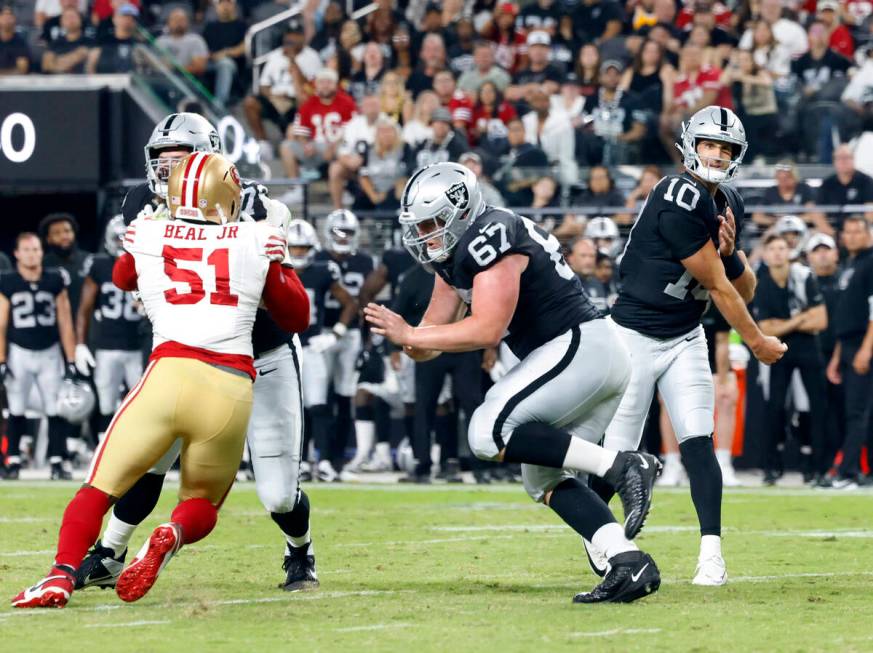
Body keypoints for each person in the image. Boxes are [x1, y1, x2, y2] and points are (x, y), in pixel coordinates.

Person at [12, 152, 310, 609]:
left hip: (167, 375)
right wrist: (281, 264)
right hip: (229, 386)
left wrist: (139, 242)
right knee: (202, 503)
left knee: (98, 487)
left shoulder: (149, 229)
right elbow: (297, 315)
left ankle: (60, 574)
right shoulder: (254, 235)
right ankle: (171, 533)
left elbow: (121, 276)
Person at [365, 162, 663, 604]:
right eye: (419, 226)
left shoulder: (491, 233)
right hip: (582, 359)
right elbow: (430, 337)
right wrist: (408, 338)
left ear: (460, 211)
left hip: (579, 348)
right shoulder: (454, 259)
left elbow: (486, 328)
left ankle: (622, 466)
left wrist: (412, 336)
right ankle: (628, 561)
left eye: (431, 223)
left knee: (486, 432)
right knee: (542, 479)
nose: (424, 236)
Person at [76, 114, 319, 595]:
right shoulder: (141, 204)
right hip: (187, 350)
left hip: (260, 354)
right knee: (148, 459)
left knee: (276, 494)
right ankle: (110, 551)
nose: (167, 171)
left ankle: (300, 550)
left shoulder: (254, 205)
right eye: (159, 161)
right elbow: (134, 279)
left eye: (178, 159)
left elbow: (287, 299)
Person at [598, 106, 786, 587]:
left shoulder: (730, 202)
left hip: (684, 335)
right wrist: (758, 340)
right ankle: (603, 542)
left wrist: (731, 253)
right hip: (634, 335)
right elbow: (722, 290)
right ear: (689, 145)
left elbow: (744, 288)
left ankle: (711, 556)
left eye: (726, 149)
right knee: (616, 455)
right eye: (709, 145)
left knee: (699, 442)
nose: (717, 155)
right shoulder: (676, 192)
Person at [0, 233, 78, 480]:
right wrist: (1, 359)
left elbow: (66, 322)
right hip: (19, 351)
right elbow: (1, 324)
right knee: (16, 407)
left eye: (35, 249)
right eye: (27, 249)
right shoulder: (7, 281)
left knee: (55, 407)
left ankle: (58, 460)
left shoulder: (54, 280)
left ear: (41, 252)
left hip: (50, 351)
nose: (32, 254)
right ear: (17, 253)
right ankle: (13, 460)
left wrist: (72, 359)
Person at [285, 219, 357, 482]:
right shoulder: (275, 271)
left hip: (313, 345)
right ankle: (301, 462)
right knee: (294, 408)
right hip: (284, 346)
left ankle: (324, 460)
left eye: (303, 248)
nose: (299, 253)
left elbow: (350, 303)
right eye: (294, 248)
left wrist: (336, 332)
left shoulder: (324, 271)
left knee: (319, 405)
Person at [753, 233, 827, 485]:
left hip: (808, 348)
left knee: (817, 407)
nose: (777, 253)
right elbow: (765, 329)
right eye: (772, 248)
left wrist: (782, 324)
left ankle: (817, 469)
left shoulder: (804, 276)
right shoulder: (761, 283)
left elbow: (820, 321)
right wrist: (800, 319)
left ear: (790, 252)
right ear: (764, 254)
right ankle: (771, 467)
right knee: (774, 407)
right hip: (778, 350)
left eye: (782, 248)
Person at [313, 210, 374, 480]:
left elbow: (367, 300)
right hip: (319, 332)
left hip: (348, 335)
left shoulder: (364, 261)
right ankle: (317, 457)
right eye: (339, 232)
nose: (343, 237)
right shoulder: (317, 260)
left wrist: (368, 340)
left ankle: (337, 459)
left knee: (344, 396)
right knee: (317, 398)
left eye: (348, 233)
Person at [74, 216, 144, 442]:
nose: (123, 243)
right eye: (119, 238)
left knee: (142, 402)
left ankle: (139, 449)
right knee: (106, 401)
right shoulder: (100, 265)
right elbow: (84, 308)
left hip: (137, 346)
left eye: (127, 238)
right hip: (107, 345)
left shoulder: (146, 261)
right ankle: (104, 449)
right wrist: (80, 344)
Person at [826, 216, 873, 488]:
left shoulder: (870, 263)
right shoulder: (849, 264)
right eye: (848, 232)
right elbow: (848, 314)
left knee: (857, 411)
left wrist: (866, 350)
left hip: (862, 345)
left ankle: (847, 471)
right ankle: (852, 470)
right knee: (851, 410)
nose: (852, 236)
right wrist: (836, 357)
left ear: (867, 235)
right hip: (847, 345)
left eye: (858, 232)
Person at [279, 68, 357, 205]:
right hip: (316, 146)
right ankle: (297, 188)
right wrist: (306, 145)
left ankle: (344, 188)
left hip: (340, 145)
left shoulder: (346, 102)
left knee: (345, 152)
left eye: (329, 82)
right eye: (321, 82)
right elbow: (301, 132)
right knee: (286, 147)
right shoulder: (309, 104)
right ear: (316, 85)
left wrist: (334, 146)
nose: (325, 85)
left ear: (335, 84)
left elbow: (352, 130)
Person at [242, 22, 321, 154]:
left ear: (302, 38)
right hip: (276, 99)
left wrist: (293, 61)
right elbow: (264, 84)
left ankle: (298, 142)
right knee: (250, 103)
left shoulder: (312, 56)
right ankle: (263, 144)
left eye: (295, 35)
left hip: (297, 101)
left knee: (304, 100)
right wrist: (272, 97)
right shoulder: (275, 56)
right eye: (289, 35)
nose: (291, 39)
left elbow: (312, 87)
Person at [806, 233, 843, 480]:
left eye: (826, 249)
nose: (822, 254)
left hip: (841, 356)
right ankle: (817, 466)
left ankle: (837, 465)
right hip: (809, 356)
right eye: (817, 250)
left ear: (835, 253)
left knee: (841, 412)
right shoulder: (802, 283)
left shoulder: (846, 281)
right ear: (809, 256)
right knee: (813, 413)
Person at [39, 213, 93, 321]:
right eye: (57, 233)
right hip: (53, 327)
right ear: (48, 239)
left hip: (87, 326)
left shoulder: (90, 260)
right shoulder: (41, 265)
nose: (64, 236)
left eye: (67, 231)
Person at [202, 0, 247, 108]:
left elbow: (245, 47)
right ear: (217, 7)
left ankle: (219, 105)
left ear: (234, 6)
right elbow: (203, 48)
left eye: (228, 3)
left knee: (225, 63)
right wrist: (212, 56)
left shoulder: (242, 25)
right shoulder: (210, 26)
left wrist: (225, 53)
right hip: (211, 62)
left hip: (234, 65)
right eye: (222, 3)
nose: (225, 6)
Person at [817, 145, 873, 231]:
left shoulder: (866, 181)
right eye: (839, 158)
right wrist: (830, 232)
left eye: (846, 157)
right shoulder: (827, 184)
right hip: (833, 230)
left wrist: (855, 232)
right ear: (834, 161)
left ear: (853, 159)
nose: (843, 161)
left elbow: (870, 211)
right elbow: (818, 213)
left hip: (860, 230)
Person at [155, 8, 208, 79]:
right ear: (168, 23)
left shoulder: (196, 40)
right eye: (175, 20)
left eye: (182, 20)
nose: (178, 23)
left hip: (185, 80)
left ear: (188, 23)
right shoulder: (160, 41)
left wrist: (175, 69)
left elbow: (199, 68)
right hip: (161, 79)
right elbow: (154, 63)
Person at [41, 7, 92, 74]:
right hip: (58, 81)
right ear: (61, 23)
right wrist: (77, 56)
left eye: (73, 16)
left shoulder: (90, 42)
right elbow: (46, 66)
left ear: (80, 20)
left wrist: (57, 62)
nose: (70, 20)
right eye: (67, 18)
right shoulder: (54, 43)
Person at [0, 3, 30, 75]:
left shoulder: (20, 43)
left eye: (9, 15)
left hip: (13, 83)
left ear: (15, 19)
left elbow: (22, 70)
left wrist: (2, 75)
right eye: (3, 15)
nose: (6, 18)